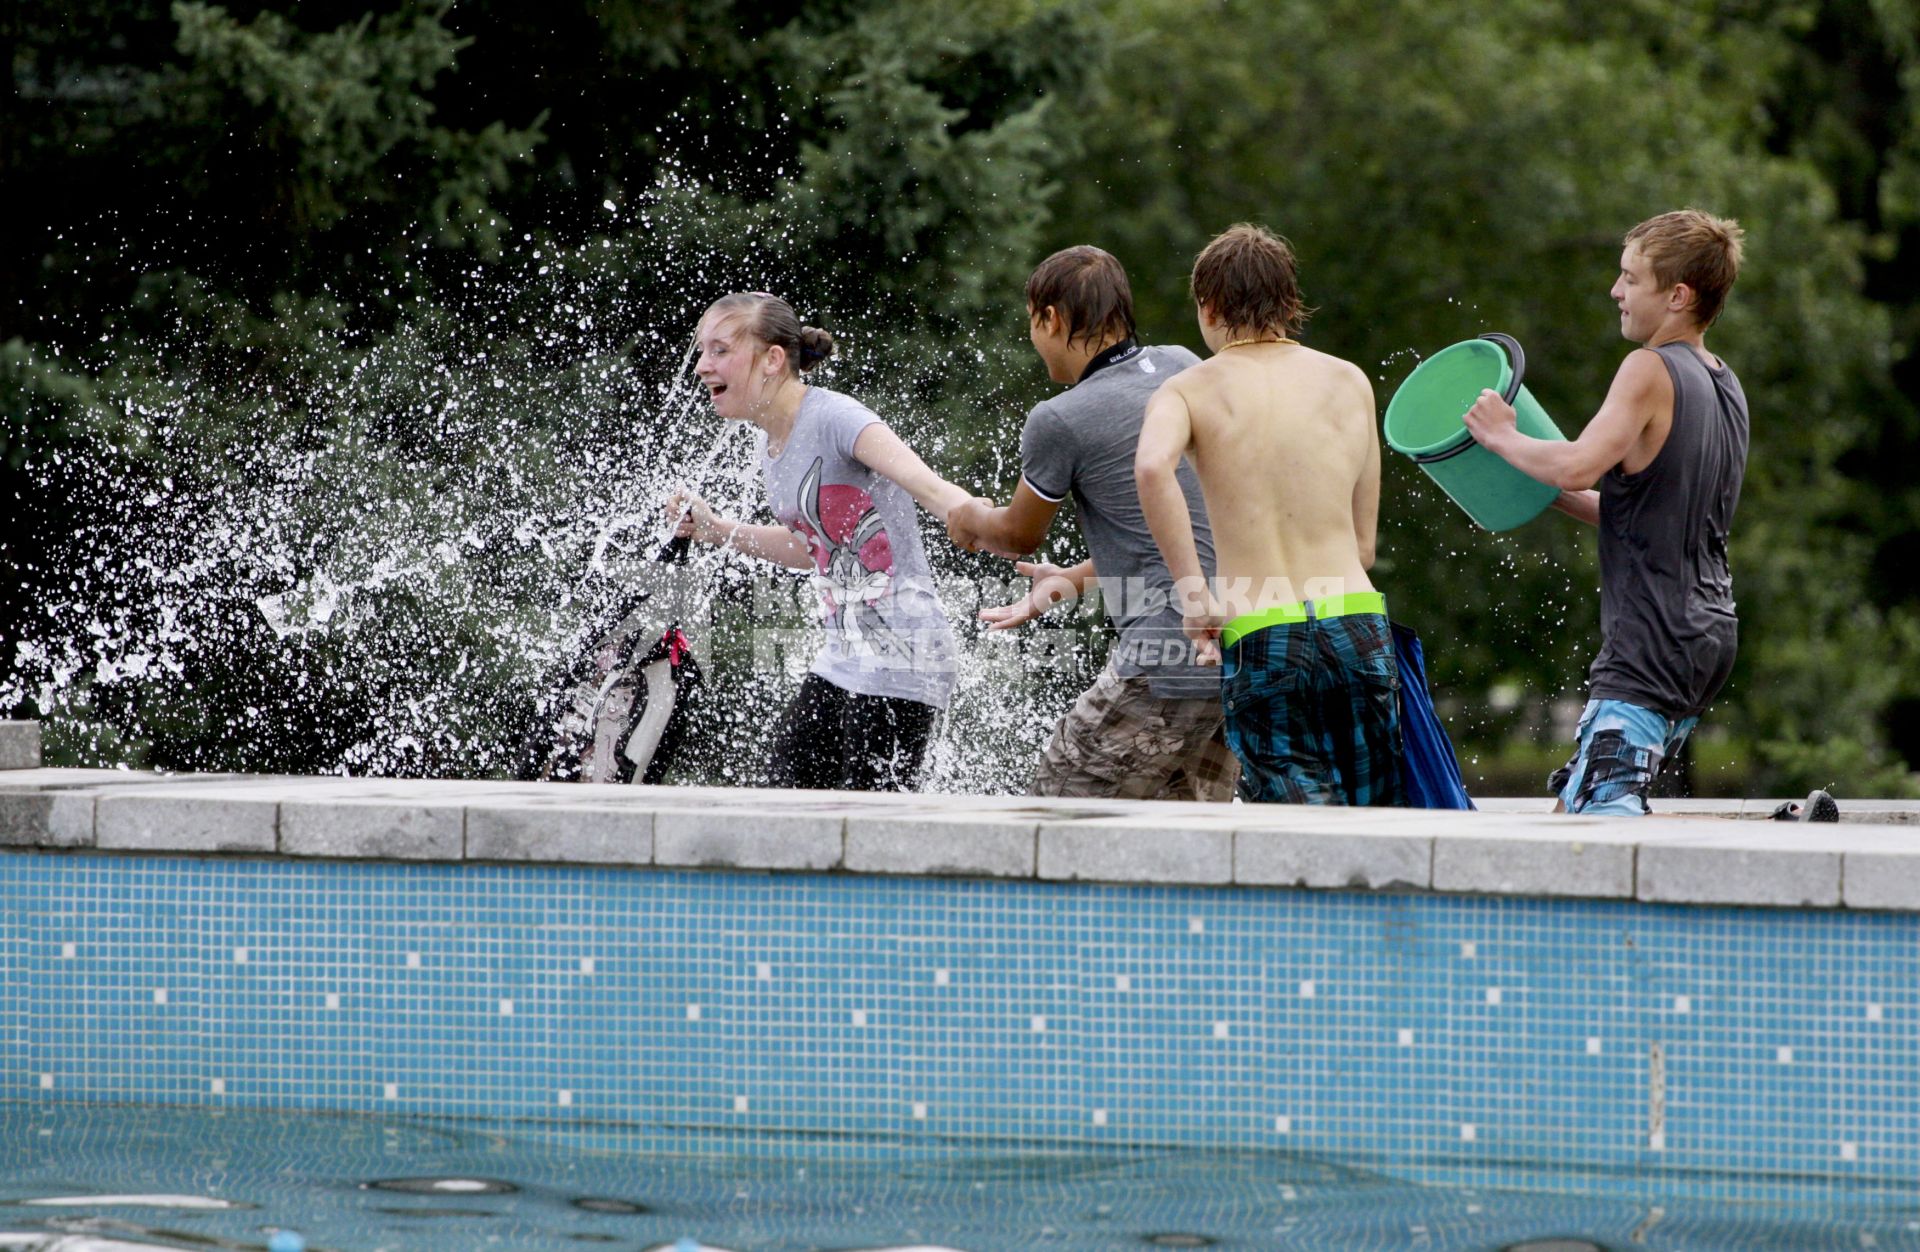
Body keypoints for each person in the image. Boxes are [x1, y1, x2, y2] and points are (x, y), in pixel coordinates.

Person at [1460, 210, 1793, 816]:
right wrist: (1536, 483)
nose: (1616, 291)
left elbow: (1579, 465)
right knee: (1575, 806)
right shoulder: (1724, 383)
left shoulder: (1648, 368)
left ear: (1678, 296)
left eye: (1630, 278)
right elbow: (1640, 510)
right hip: (1708, 634)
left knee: (1598, 836)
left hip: (1650, 643)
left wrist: (1501, 437)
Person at [947, 246, 1237, 801]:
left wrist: (969, 516)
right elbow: (1183, 531)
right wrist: (1070, 580)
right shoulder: (1183, 365)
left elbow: (1016, 535)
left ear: (1050, 318)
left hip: (1162, 663)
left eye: (1032, 322)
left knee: (1056, 816)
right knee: (1187, 855)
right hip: (1233, 657)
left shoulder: (1059, 419)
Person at [1135, 224, 1402, 806]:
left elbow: (1153, 468)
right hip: (1356, 623)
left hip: (1262, 630)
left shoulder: (1187, 391)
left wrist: (1196, 598)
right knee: (1379, 827)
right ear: (1288, 302)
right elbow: (1362, 549)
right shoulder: (1349, 380)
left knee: (1293, 837)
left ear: (1207, 307)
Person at [667, 292, 970, 791]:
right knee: (784, 801)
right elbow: (814, 548)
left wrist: (989, 523)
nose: (702, 366)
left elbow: (931, 487)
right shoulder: (774, 443)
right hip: (845, 655)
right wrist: (717, 530)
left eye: (719, 350)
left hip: (903, 654)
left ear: (772, 359)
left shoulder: (836, 418)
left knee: (869, 835)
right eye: (702, 352)